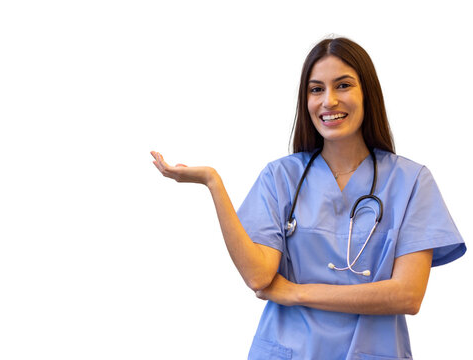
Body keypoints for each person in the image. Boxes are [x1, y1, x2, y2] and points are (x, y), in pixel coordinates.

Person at [150, 37, 466, 359]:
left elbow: (407, 295)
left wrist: (296, 293)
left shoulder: (411, 182)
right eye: (316, 89)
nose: (329, 101)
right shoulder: (281, 178)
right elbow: (259, 277)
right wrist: (213, 183)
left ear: (367, 93)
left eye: (343, 85)